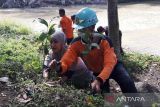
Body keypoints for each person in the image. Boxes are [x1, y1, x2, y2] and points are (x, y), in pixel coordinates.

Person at [50, 7, 137, 94]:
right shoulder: (75, 44)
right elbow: (66, 60)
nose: (80, 32)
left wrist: (99, 79)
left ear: (93, 27)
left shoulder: (105, 41)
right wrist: (59, 66)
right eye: (79, 29)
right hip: (96, 72)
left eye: (83, 29)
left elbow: (109, 64)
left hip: (114, 67)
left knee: (127, 82)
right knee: (102, 95)